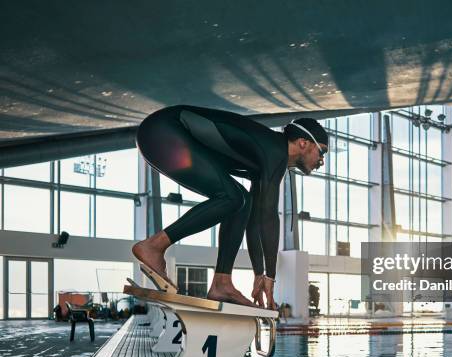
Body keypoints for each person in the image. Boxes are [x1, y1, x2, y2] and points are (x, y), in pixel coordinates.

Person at [131, 105, 328, 309]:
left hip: (162, 136)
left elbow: (255, 220)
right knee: (232, 197)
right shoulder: (274, 150)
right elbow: (269, 217)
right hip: (164, 131)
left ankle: (221, 283)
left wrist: (260, 273)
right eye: (321, 151)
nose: (322, 160)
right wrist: (271, 276)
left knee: (242, 202)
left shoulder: (270, 158)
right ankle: (154, 246)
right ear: (303, 143)